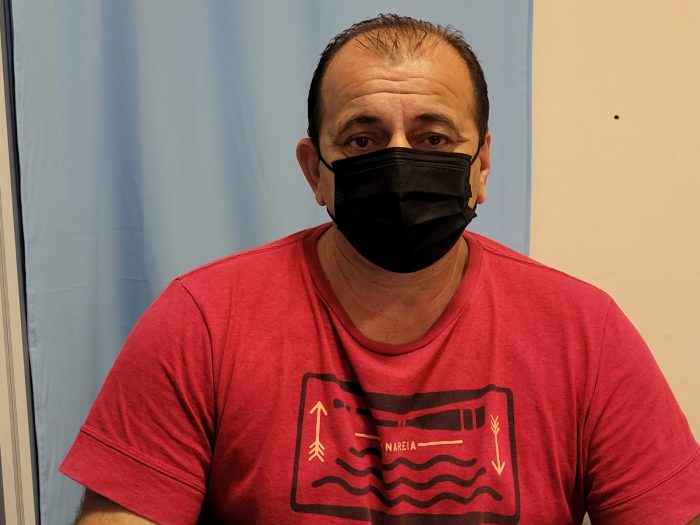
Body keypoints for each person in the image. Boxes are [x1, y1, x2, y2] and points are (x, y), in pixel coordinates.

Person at [61, 14, 700, 525]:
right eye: (362, 140)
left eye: (433, 139)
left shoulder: (583, 332)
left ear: (480, 166)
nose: (399, 164)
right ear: (315, 172)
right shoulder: (203, 320)